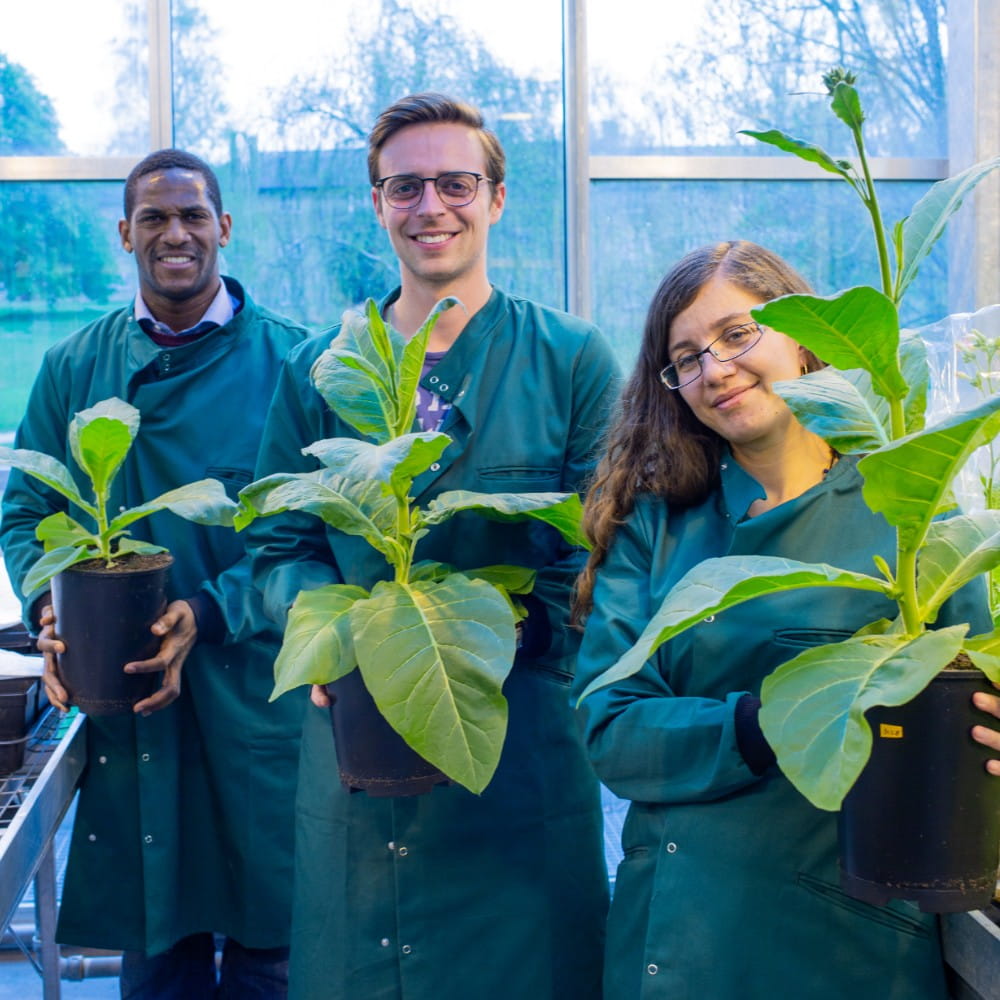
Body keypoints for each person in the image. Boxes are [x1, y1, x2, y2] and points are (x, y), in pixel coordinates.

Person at [247, 93, 617, 999]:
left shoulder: (569, 358)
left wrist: (505, 636)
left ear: (496, 198)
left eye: (456, 182)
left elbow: (609, 551)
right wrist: (335, 636)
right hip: (356, 750)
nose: (431, 206)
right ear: (377, 205)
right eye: (404, 186)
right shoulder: (323, 367)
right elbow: (275, 547)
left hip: (519, 744)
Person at [571, 240, 1000, 1000]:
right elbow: (609, 727)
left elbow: (975, 687)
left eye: (737, 334)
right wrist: (768, 722)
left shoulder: (910, 510)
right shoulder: (656, 526)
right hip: (680, 937)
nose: (715, 368)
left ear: (805, 336)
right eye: (687, 359)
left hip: (851, 942)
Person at [0, 149, 310, 999]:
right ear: (125, 234)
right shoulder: (75, 366)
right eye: (154, 219)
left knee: (270, 948)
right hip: (132, 697)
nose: (175, 234)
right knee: (159, 945)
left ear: (225, 229)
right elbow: (26, 513)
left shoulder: (294, 359)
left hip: (256, 690)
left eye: (193, 216)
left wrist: (207, 614)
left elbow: (307, 537)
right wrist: (48, 603)